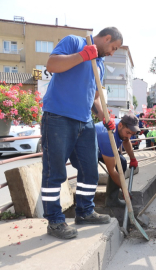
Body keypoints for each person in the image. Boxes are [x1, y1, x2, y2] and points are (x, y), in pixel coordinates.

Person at [41, 27, 123, 239]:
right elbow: (52, 65)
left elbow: (94, 97)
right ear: (106, 38)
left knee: (89, 170)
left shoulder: (100, 64)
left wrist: (104, 115)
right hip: (58, 117)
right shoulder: (75, 42)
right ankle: (54, 221)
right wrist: (82, 55)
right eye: (113, 47)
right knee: (54, 172)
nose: (112, 52)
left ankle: (85, 212)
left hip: (84, 121)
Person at [96, 115, 140, 207]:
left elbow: (126, 140)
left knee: (122, 162)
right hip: (90, 150)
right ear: (120, 125)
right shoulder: (108, 135)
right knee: (91, 175)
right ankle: (86, 209)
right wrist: (124, 190)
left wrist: (133, 158)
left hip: (103, 149)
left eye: (131, 134)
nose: (129, 136)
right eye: (128, 132)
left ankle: (112, 200)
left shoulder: (123, 126)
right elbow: (112, 171)